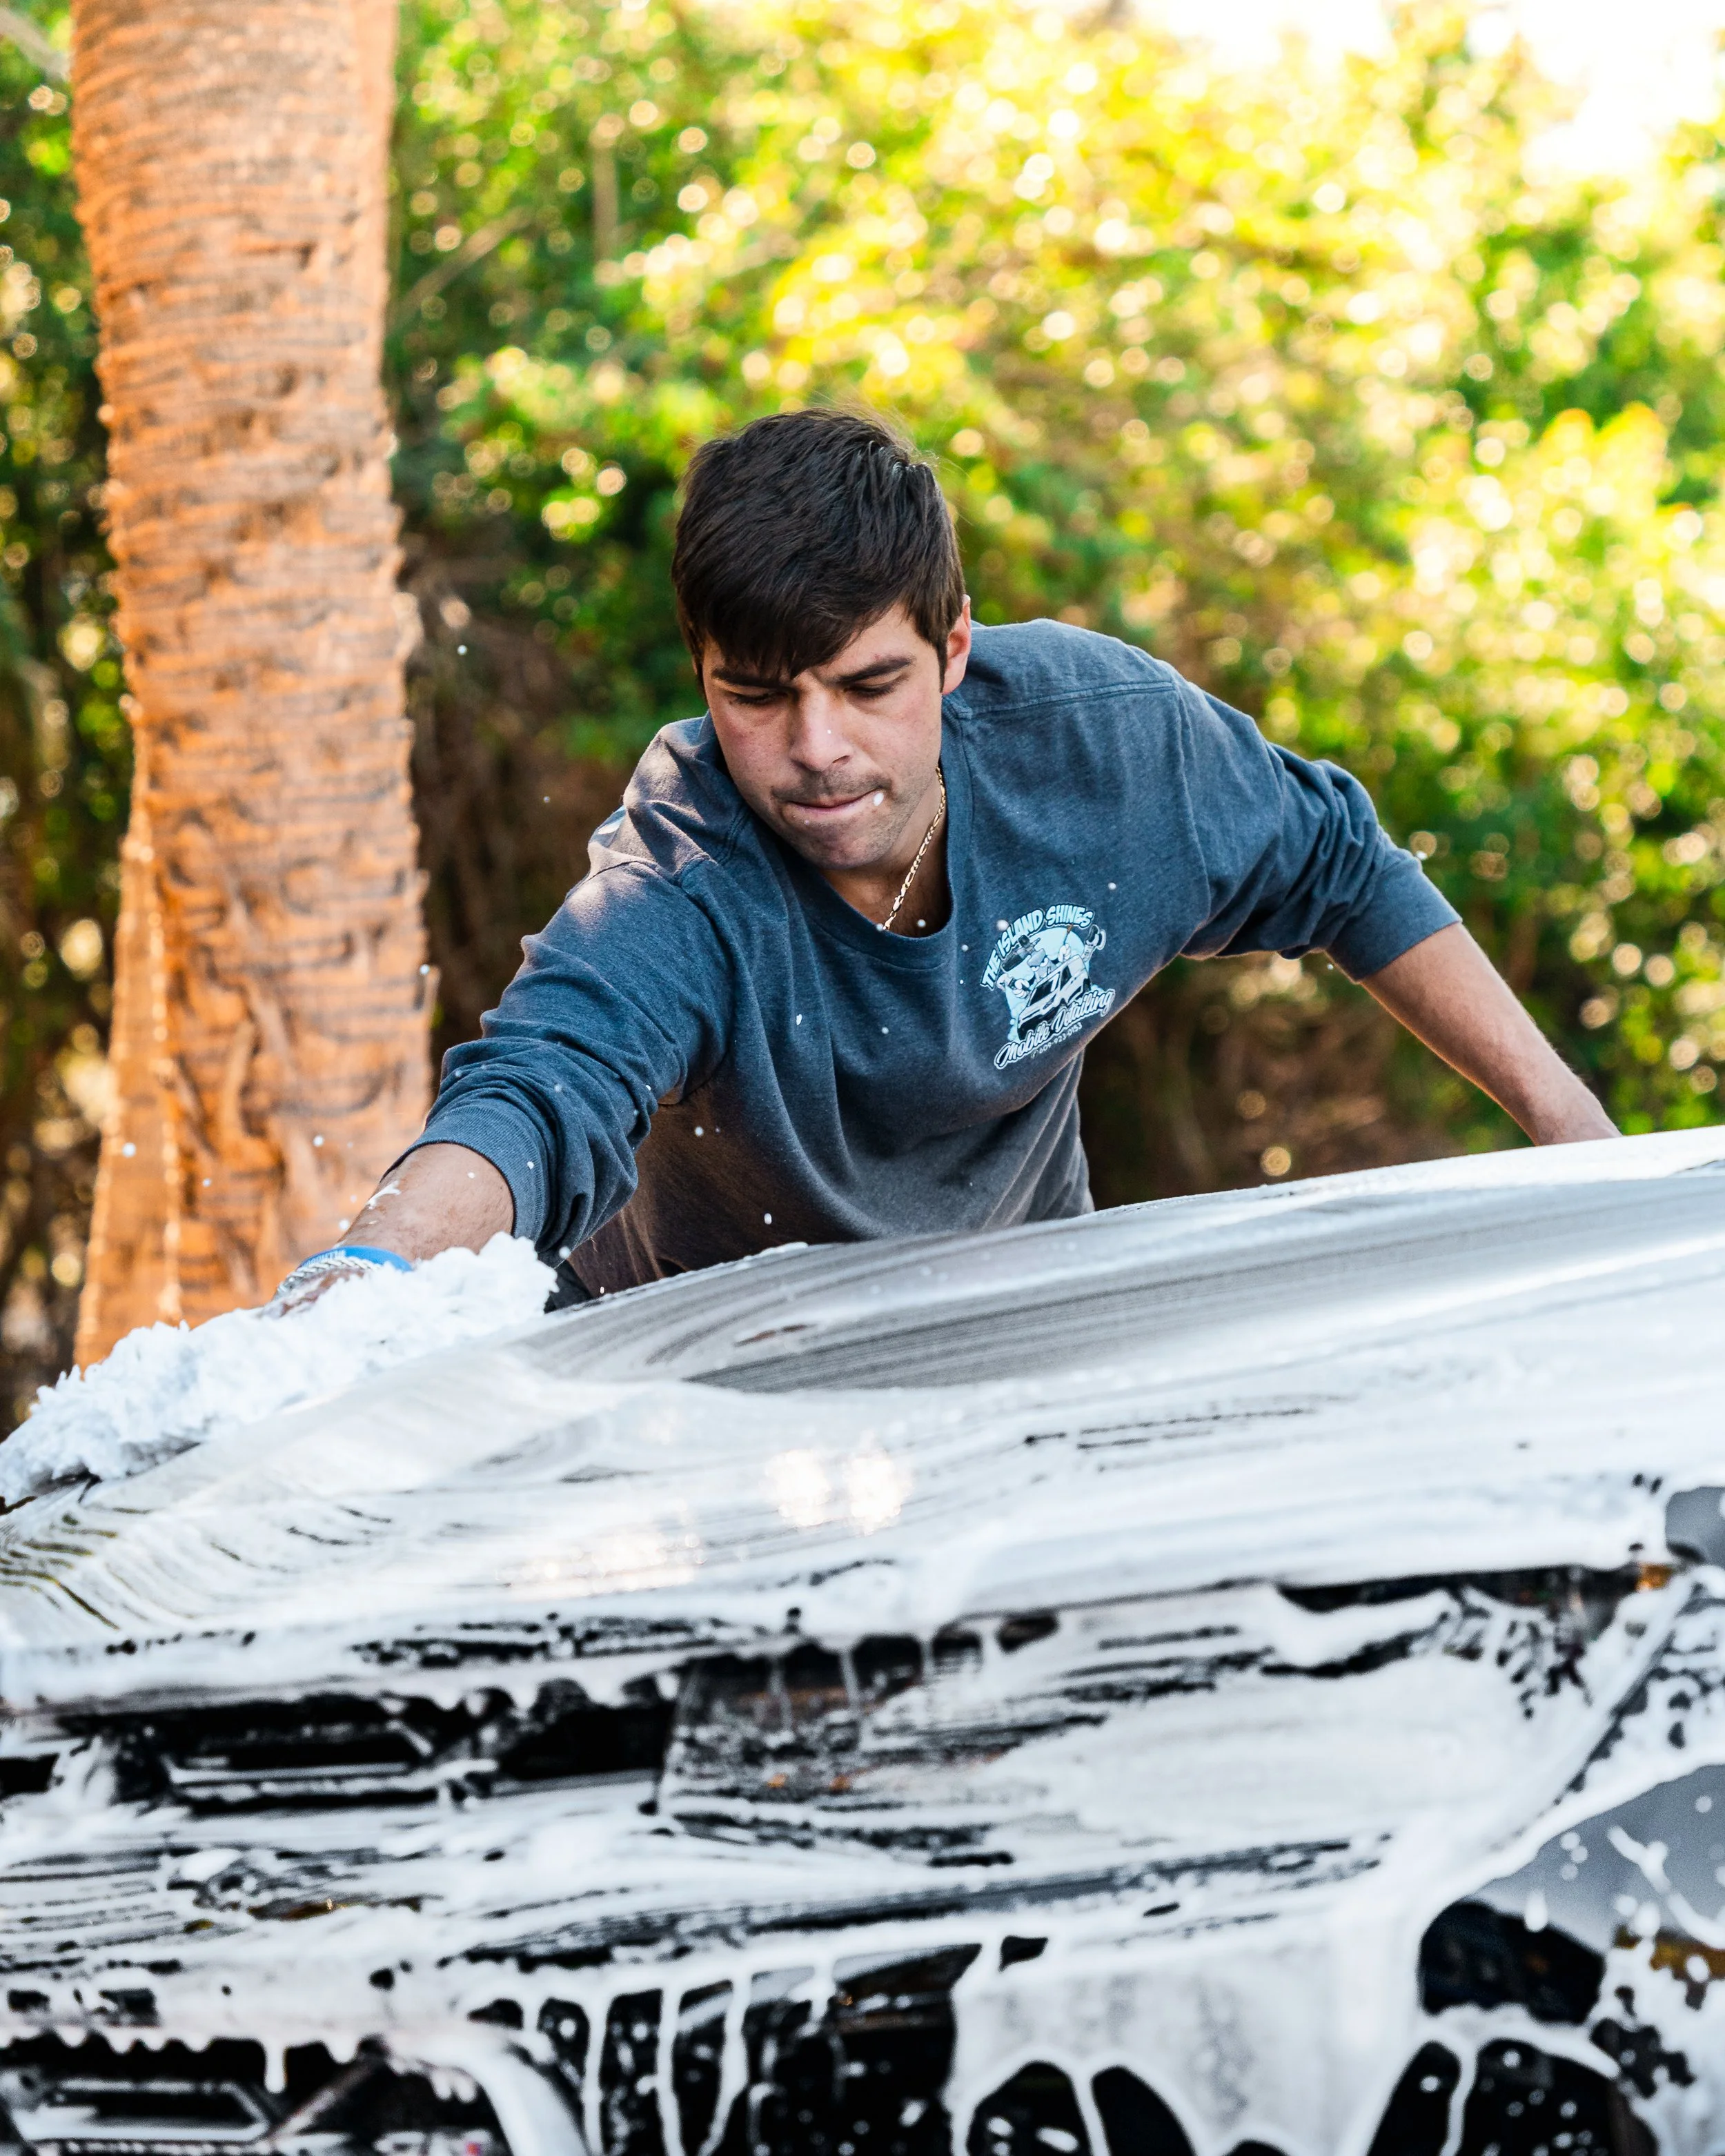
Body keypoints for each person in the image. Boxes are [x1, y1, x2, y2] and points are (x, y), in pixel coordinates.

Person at [275, 406, 1615, 1309]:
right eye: (756, 696)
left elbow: (1341, 863)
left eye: (868, 686)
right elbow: (540, 1084)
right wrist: (369, 1276)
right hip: (697, 1385)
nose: (815, 749)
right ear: (701, 675)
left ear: (953, 649)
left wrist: (1571, 1136)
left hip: (1012, 1332)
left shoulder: (1106, 749)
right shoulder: (684, 869)